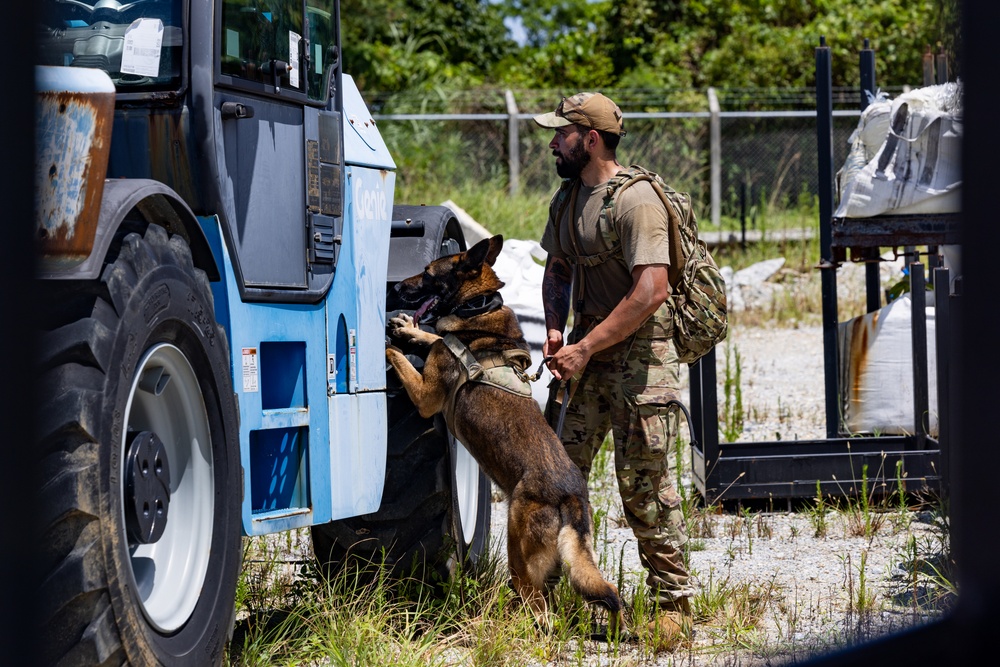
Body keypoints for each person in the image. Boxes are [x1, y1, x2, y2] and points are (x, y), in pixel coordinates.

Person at [534, 92, 696, 647]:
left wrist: (585, 347)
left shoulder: (637, 202)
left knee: (645, 485)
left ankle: (674, 603)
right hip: (588, 351)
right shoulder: (568, 196)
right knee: (557, 478)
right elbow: (557, 271)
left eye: (562, 133)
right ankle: (547, 596)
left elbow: (651, 289)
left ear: (592, 139)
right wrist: (558, 330)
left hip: (642, 359)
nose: (553, 142)